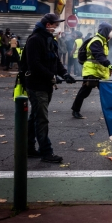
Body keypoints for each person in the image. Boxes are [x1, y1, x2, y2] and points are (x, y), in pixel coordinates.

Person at [23, 13, 75, 163]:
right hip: (36, 85)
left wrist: (64, 74)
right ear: (48, 25)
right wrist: (52, 76)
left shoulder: (49, 40)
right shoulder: (35, 40)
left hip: (46, 85)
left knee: (35, 118)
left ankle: (29, 149)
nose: (57, 27)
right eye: (55, 25)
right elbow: (34, 64)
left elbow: (55, 60)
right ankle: (46, 152)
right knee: (41, 120)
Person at [71, 22, 112, 119]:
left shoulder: (103, 41)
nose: (111, 33)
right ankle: (75, 111)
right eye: (110, 31)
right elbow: (99, 56)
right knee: (84, 92)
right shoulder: (96, 41)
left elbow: (102, 57)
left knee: (107, 91)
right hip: (91, 71)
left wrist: (108, 68)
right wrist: (109, 65)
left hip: (99, 71)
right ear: (105, 31)